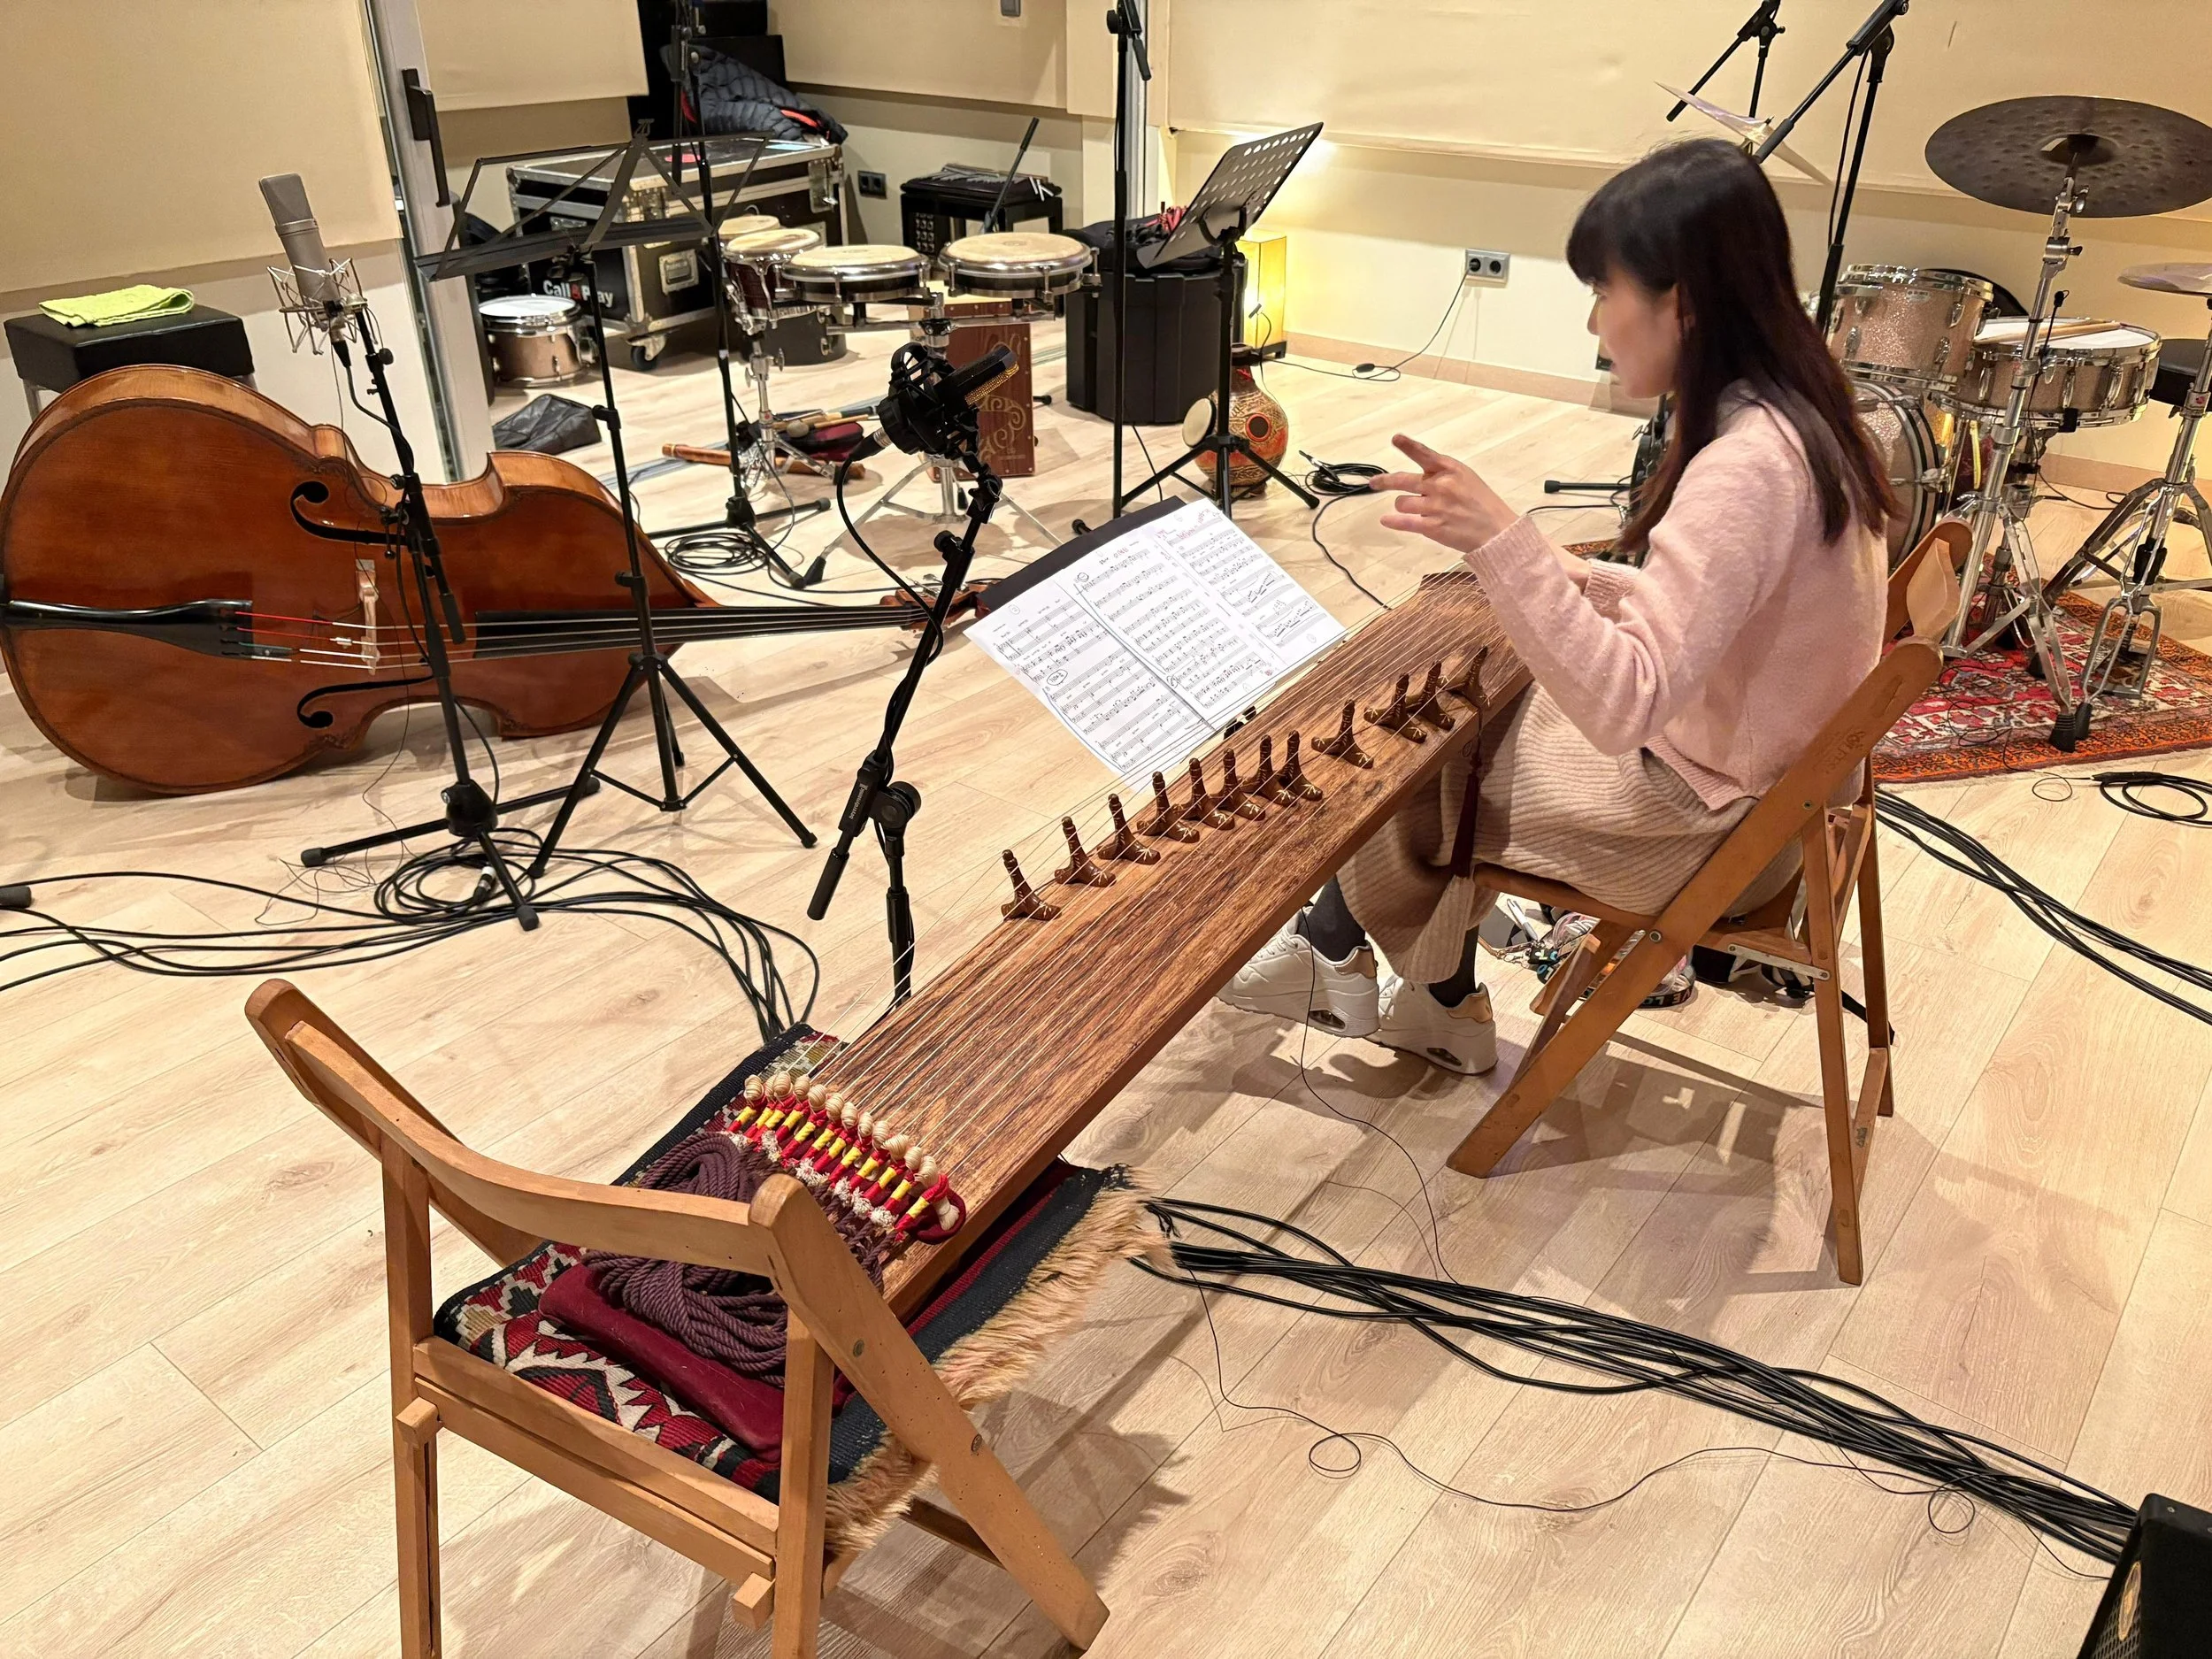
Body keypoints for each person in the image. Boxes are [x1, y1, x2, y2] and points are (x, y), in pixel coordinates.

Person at [1220, 137, 1893, 1075]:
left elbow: (1626, 706)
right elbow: (1721, 620)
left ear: (1682, 302)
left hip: (1709, 830)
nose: (1593, 324)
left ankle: (1393, 976)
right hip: (1781, 810)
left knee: (1402, 755)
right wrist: (1563, 571)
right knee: (1457, 706)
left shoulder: (1745, 466)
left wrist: (1502, 543)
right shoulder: (1805, 421)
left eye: (1602, 291)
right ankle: (1395, 976)